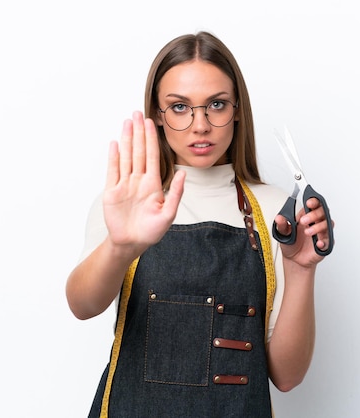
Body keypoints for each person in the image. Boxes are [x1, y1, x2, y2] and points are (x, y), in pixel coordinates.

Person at [66, 31, 334, 417]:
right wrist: (121, 245)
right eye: (179, 107)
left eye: (217, 105)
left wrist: (301, 268)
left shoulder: (275, 212)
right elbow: (82, 305)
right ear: (158, 114)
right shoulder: (128, 201)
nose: (200, 125)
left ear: (238, 109)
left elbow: (287, 376)